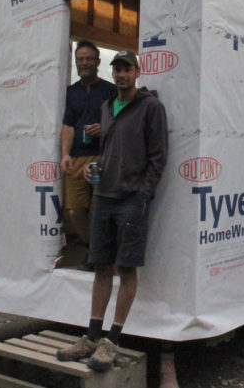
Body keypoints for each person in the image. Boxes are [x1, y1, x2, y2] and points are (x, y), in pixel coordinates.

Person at [56, 50, 168, 372]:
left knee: (126, 269)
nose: (122, 75)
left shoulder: (150, 108)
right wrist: (96, 170)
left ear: (137, 72)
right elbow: (107, 151)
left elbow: (158, 156)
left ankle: (113, 340)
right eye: (117, 70)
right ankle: (91, 336)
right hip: (103, 197)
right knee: (101, 265)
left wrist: (144, 194)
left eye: (127, 69)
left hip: (132, 199)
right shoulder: (107, 108)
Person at [60, 40, 117, 268]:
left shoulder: (110, 90)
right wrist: (65, 154)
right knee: (74, 212)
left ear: (97, 62)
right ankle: (93, 249)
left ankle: (97, 255)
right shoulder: (70, 92)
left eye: (89, 58)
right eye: (80, 59)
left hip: (101, 157)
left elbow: (122, 123)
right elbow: (68, 125)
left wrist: (104, 128)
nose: (84, 62)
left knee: (98, 208)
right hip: (77, 157)